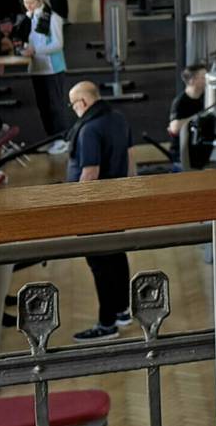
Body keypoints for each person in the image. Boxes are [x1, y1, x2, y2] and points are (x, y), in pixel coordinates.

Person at [65, 81, 133, 341]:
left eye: (73, 104)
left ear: (82, 102)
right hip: (116, 201)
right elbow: (130, 158)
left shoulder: (89, 130)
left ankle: (107, 324)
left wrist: (78, 208)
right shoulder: (118, 118)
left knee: (100, 266)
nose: (73, 109)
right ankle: (122, 311)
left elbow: (90, 173)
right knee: (116, 255)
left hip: (95, 208)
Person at [20, 0, 68, 147]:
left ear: (40, 1)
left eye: (31, 2)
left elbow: (58, 44)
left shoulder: (53, 18)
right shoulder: (30, 18)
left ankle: (61, 138)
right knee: (43, 107)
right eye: (25, 2)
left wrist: (35, 50)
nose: (28, 6)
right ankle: (51, 137)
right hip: (37, 68)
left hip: (52, 68)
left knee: (55, 106)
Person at [167, 63, 211, 170]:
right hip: (183, 157)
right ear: (192, 81)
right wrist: (196, 118)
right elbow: (174, 128)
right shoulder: (180, 102)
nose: (206, 80)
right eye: (203, 77)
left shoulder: (204, 99)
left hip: (199, 156)